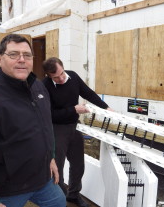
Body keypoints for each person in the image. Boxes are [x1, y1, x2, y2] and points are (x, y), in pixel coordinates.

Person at [0, 34, 66, 207]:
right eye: (14, 54)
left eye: (27, 55)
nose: (22, 60)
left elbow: (46, 127)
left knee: (59, 202)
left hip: (42, 179)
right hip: (8, 189)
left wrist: (51, 158)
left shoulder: (38, 87)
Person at [42, 57, 112, 207]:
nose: (61, 78)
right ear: (48, 75)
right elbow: (49, 114)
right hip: (56, 129)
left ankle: (73, 195)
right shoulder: (45, 86)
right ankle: (59, 200)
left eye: (61, 73)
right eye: (56, 77)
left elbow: (88, 93)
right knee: (57, 168)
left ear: (63, 67)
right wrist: (73, 109)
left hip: (74, 126)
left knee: (78, 164)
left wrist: (106, 108)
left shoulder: (72, 76)